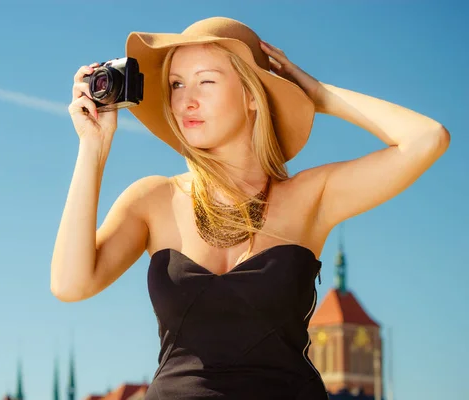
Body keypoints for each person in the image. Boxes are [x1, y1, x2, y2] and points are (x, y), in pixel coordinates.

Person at [51, 16, 449, 400]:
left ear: (251, 94)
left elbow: (427, 139)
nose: (186, 99)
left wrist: (319, 95)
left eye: (206, 81)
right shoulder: (154, 199)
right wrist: (93, 146)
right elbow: (71, 284)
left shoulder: (310, 196)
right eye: (176, 84)